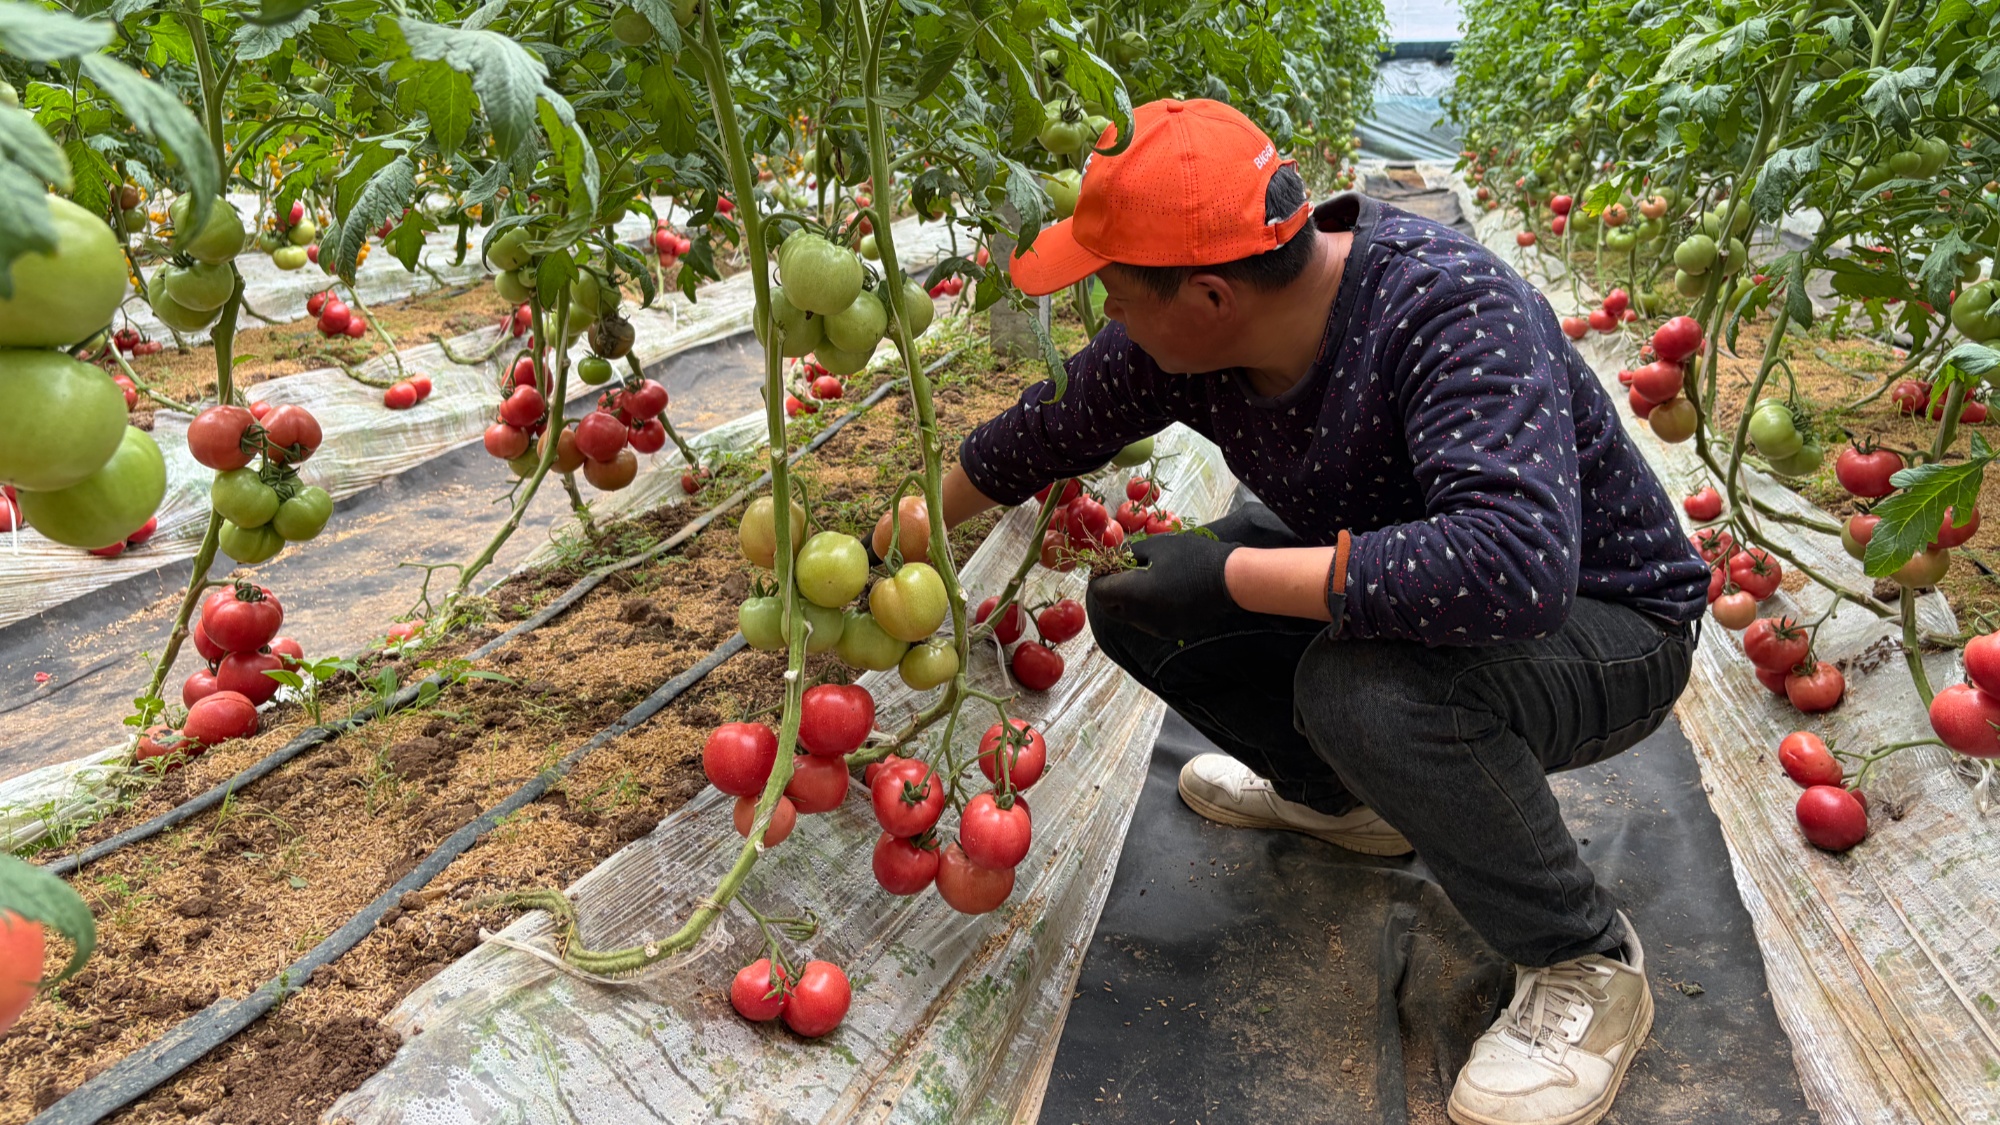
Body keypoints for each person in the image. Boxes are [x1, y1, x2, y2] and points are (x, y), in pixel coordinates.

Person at [906, 99, 1709, 1125]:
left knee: (1360, 689)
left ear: (1209, 295)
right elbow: (1039, 433)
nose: (1108, 315)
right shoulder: (1185, 338)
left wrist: (1231, 578)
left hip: (1604, 621)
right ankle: (1340, 799)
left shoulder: (1450, 310)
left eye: (1115, 293)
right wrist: (892, 543)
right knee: (1139, 594)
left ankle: (1581, 957)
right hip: (1410, 576)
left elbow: (1510, 566)